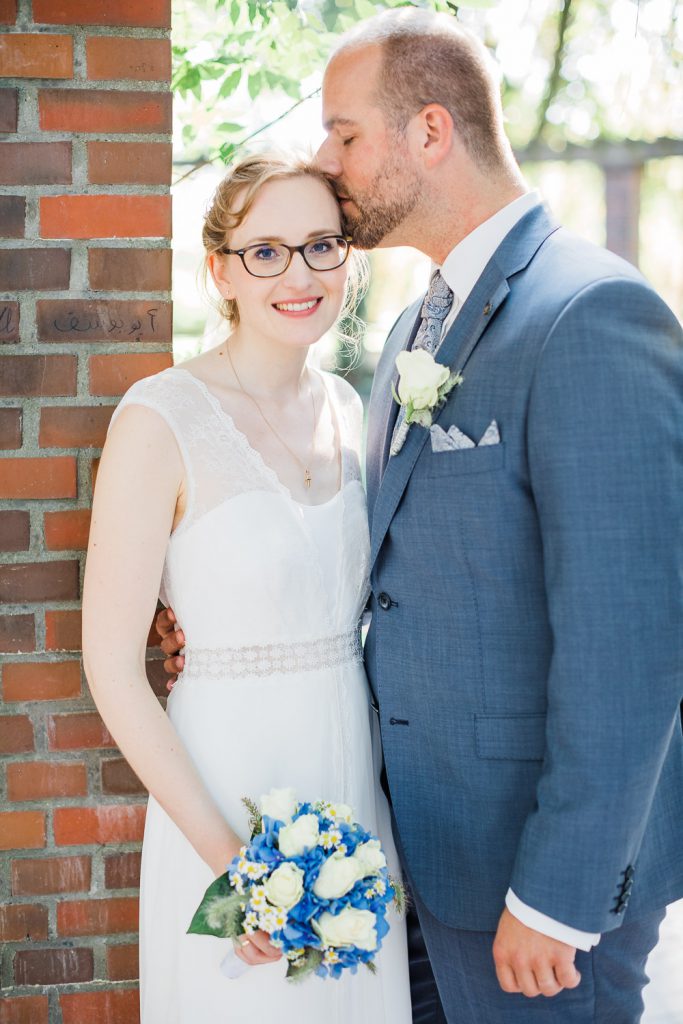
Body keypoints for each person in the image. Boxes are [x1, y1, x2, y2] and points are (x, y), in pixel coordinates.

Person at [159, 9, 683, 1023]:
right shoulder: (414, 323)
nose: (325, 158)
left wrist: (557, 896)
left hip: (535, 894)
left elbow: (629, 640)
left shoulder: (590, 313)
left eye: (344, 133)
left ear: (429, 133)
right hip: (411, 859)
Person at [82, 153, 412, 1024]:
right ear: (221, 269)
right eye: (265, 252)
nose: (297, 274)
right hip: (221, 791)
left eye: (319, 246)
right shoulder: (160, 419)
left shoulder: (350, 408)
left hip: (348, 774)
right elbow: (114, 670)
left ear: (348, 256)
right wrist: (230, 859)